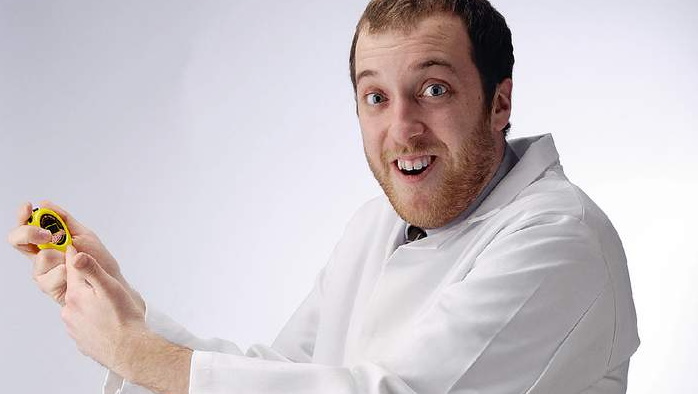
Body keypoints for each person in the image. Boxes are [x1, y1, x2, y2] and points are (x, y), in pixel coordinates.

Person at [8, 0, 639, 393]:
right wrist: (127, 316)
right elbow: (285, 373)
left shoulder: (560, 238)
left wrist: (137, 353)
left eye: (435, 90)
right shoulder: (374, 227)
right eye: (376, 97)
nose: (402, 130)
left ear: (499, 102)